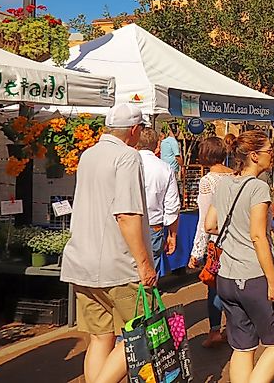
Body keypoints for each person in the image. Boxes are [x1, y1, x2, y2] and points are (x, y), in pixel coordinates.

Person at [60, 104, 155, 383]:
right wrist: (144, 263)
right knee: (138, 334)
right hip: (118, 265)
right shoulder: (128, 157)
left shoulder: (88, 155)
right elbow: (126, 214)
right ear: (135, 130)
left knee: (100, 337)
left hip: (82, 260)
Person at [206, 130, 274, 381]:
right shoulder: (258, 187)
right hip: (254, 276)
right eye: (268, 151)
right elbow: (258, 236)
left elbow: (210, 225)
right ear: (254, 156)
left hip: (226, 278)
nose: (272, 157)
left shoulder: (222, 183)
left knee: (242, 347)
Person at [189, 136, 234, 348]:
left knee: (215, 286)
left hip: (217, 240)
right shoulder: (235, 175)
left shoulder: (208, 180)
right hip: (237, 238)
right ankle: (235, 327)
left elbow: (204, 218)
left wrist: (197, 251)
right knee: (234, 284)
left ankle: (215, 330)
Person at [135, 128, 180, 273]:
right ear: (157, 146)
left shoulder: (126, 163)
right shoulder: (165, 168)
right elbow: (172, 207)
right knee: (150, 274)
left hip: (129, 223)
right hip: (154, 226)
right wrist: (172, 235)